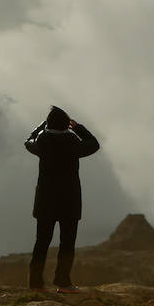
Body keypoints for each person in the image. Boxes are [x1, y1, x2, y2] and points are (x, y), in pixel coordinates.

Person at [25, 106, 99, 294]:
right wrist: (78, 127)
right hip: (69, 201)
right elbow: (93, 144)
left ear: (49, 124)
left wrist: (41, 127)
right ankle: (63, 282)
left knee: (41, 242)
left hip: (45, 201)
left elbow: (28, 141)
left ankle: (35, 283)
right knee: (67, 243)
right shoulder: (73, 143)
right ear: (67, 125)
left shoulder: (42, 142)